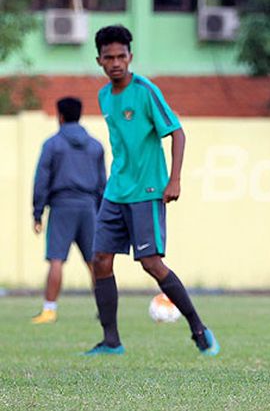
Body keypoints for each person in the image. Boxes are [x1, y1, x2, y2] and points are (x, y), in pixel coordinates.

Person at [85, 24, 219, 356]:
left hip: (147, 191)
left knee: (151, 263)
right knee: (100, 260)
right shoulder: (104, 95)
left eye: (121, 56)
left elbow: (177, 133)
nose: (116, 62)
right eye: (109, 57)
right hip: (115, 191)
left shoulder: (146, 91)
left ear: (130, 57)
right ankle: (111, 340)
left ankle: (198, 329)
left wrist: (174, 180)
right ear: (99, 60)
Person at [31, 97, 105, 324]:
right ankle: (104, 310)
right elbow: (103, 182)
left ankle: (49, 310)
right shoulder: (95, 145)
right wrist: (102, 213)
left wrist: (37, 211)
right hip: (89, 207)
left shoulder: (52, 144)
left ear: (60, 116)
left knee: (56, 259)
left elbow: (42, 179)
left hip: (62, 206)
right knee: (95, 261)